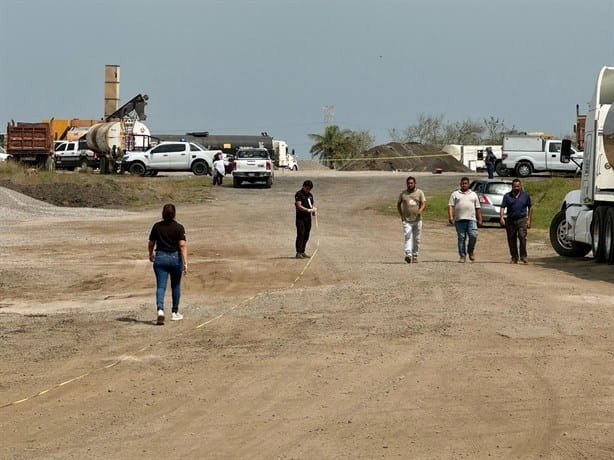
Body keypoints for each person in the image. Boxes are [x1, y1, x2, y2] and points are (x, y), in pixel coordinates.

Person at [148, 203, 188, 324]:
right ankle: (175, 312)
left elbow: (151, 243)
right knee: (175, 286)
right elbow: (182, 245)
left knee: (161, 286)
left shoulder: (157, 226)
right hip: (175, 258)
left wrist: (150, 254)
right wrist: (185, 262)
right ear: (174, 214)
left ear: (163, 213)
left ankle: (160, 310)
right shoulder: (179, 227)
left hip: (160, 257)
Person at [448, 176, 482, 263]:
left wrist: (480, 219)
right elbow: (450, 206)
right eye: (462, 184)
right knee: (461, 238)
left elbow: (478, 207)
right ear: (460, 184)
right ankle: (462, 256)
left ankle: (470, 251)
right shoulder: (455, 194)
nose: (464, 185)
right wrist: (451, 217)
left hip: (471, 219)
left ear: (468, 184)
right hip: (459, 220)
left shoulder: (473, 194)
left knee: (473, 236)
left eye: (466, 183)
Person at [500, 178, 533, 264]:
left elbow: (530, 207)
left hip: (522, 219)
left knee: (522, 237)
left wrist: (529, 220)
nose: (516, 188)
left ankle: (523, 256)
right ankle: (514, 257)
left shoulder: (525, 195)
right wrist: (501, 217)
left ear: (520, 186)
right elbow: (503, 207)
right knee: (511, 239)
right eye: (515, 186)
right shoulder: (507, 196)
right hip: (510, 220)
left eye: (518, 186)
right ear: (512, 187)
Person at [397, 176, 426, 263]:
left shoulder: (419, 192)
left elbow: (423, 203)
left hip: (417, 220)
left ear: (415, 183)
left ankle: (415, 255)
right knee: (408, 237)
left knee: (417, 239)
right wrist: (401, 215)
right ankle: (408, 255)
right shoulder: (403, 194)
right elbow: (398, 204)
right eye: (408, 183)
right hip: (407, 220)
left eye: (411, 183)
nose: (410, 185)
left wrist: (420, 210)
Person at [295, 179, 317, 259]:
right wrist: (308, 210)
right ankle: (298, 252)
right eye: (307, 188)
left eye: (309, 189)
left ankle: (303, 251)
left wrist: (313, 210)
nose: (308, 190)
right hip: (300, 218)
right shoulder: (299, 194)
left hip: (308, 218)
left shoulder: (310, 195)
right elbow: (298, 205)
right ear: (304, 187)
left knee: (306, 235)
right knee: (300, 234)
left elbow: (311, 204)